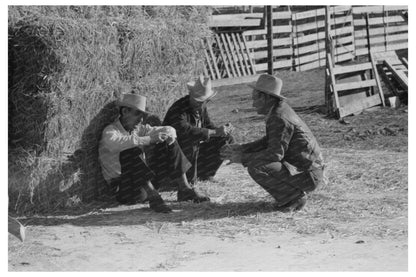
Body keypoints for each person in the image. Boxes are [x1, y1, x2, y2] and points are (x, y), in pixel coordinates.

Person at [221, 74, 325, 212]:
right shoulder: (280, 111)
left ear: (265, 98)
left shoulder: (278, 117)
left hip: (309, 176)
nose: (253, 104)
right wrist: (242, 148)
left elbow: (274, 155)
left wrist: (242, 158)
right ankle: (292, 195)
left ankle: (294, 198)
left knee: (256, 166)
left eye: (255, 99)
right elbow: (269, 141)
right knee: (258, 162)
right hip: (308, 171)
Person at [98, 91, 210, 213]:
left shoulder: (139, 129)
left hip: (146, 181)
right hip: (126, 189)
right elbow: (118, 143)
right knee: (130, 149)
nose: (141, 120)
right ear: (125, 112)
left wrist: (169, 136)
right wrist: (149, 139)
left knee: (167, 140)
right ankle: (155, 198)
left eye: (143, 116)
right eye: (138, 114)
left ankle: (185, 189)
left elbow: (168, 129)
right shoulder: (110, 131)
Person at [163, 75, 234, 184]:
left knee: (224, 138)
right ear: (190, 94)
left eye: (203, 102)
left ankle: (206, 174)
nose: (200, 105)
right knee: (192, 140)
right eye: (197, 101)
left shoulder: (201, 108)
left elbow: (208, 125)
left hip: (193, 154)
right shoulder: (178, 109)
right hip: (174, 156)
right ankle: (185, 180)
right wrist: (215, 132)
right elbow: (186, 131)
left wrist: (223, 131)